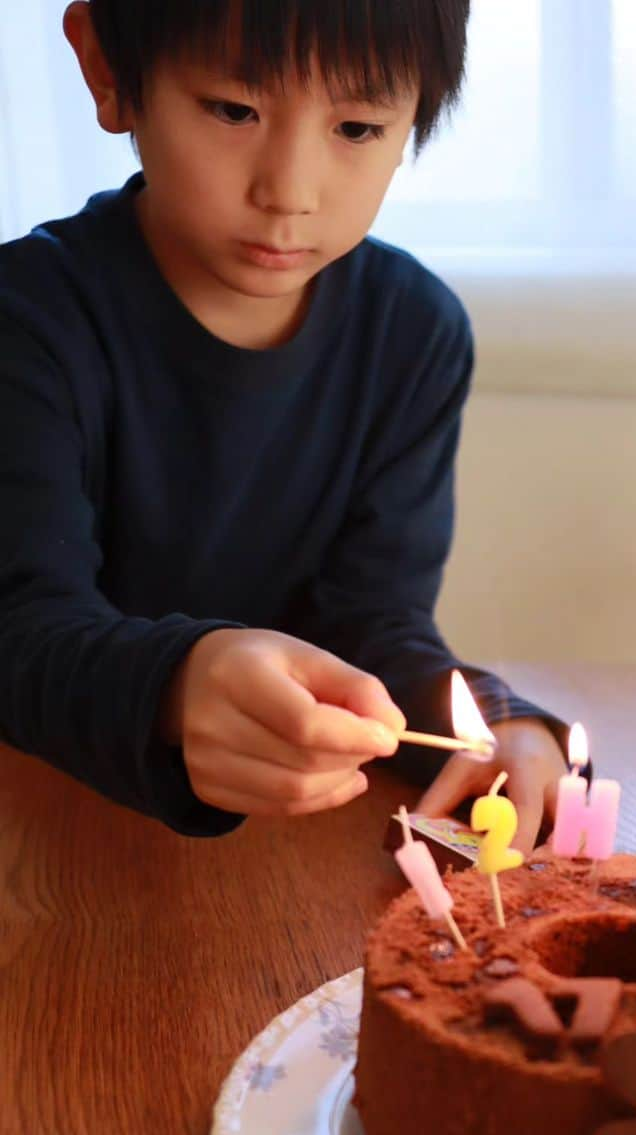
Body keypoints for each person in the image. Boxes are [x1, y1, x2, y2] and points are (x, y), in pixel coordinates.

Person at [0, 0, 571, 851]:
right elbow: (20, 629)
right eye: (234, 110)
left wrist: (500, 721)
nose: (289, 193)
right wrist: (173, 685)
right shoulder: (28, 320)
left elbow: (372, 621)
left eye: (358, 125)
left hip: (276, 842)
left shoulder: (412, 332)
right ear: (108, 70)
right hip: (38, 833)